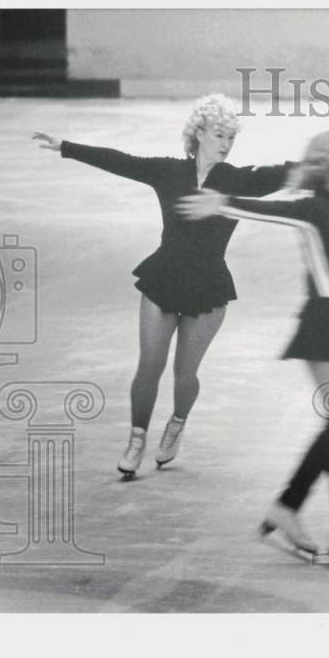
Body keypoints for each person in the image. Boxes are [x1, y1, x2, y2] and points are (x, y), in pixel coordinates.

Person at [33, 95, 291, 478]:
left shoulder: (237, 179)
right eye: (219, 134)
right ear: (199, 132)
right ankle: (136, 441)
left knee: (184, 373)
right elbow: (121, 160)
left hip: (209, 286)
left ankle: (176, 424)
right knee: (149, 365)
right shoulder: (168, 171)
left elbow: (290, 173)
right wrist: (66, 147)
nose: (225, 143)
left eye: (231, 138)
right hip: (164, 276)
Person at [175, 130, 329, 561]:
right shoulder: (310, 206)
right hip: (321, 325)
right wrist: (221, 203)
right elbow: (270, 208)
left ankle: (289, 510)